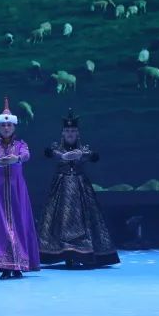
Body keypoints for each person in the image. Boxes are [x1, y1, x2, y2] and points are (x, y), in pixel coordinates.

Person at [39, 109, 120, 268]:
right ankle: (64, 252)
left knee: (85, 220)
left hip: (80, 187)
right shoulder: (57, 148)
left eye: (73, 131)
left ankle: (82, 253)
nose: (70, 134)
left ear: (77, 133)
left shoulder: (83, 149)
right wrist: (61, 156)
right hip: (61, 188)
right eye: (67, 131)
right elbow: (47, 152)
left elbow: (95, 156)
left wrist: (83, 155)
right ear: (63, 133)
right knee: (58, 220)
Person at [0, 97, 40, 279]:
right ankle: (5, 265)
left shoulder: (21, 144)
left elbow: (26, 155)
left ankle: (19, 264)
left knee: (19, 223)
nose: (6, 128)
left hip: (17, 190)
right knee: (0, 225)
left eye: (9, 125)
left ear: (14, 126)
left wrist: (17, 158)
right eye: (3, 125)